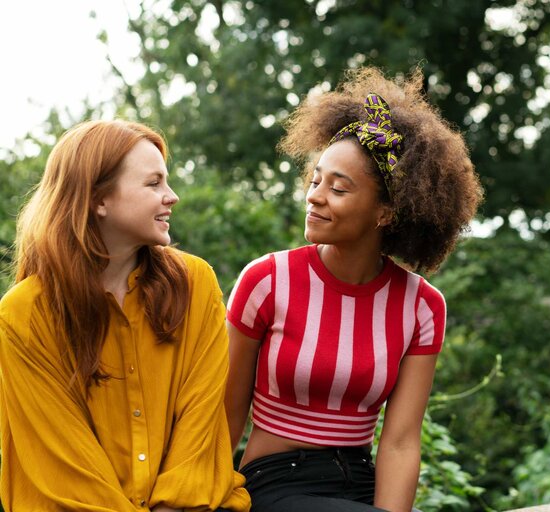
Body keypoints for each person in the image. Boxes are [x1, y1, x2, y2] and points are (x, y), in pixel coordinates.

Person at [225, 67, 482, 512]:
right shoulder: (266, 281)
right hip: (274, 484)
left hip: (360, 484)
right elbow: (225, 415)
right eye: (315, 179)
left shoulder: (421, 307)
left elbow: (400, 443)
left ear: (385, 212)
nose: (315, 195)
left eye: (338, 188)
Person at [0, 120, 250, 511]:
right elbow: (62, 461)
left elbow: (200, 423)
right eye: (153, 184)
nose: (172, 197)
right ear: (99, 199)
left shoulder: (195, 284)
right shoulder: (24, 315)